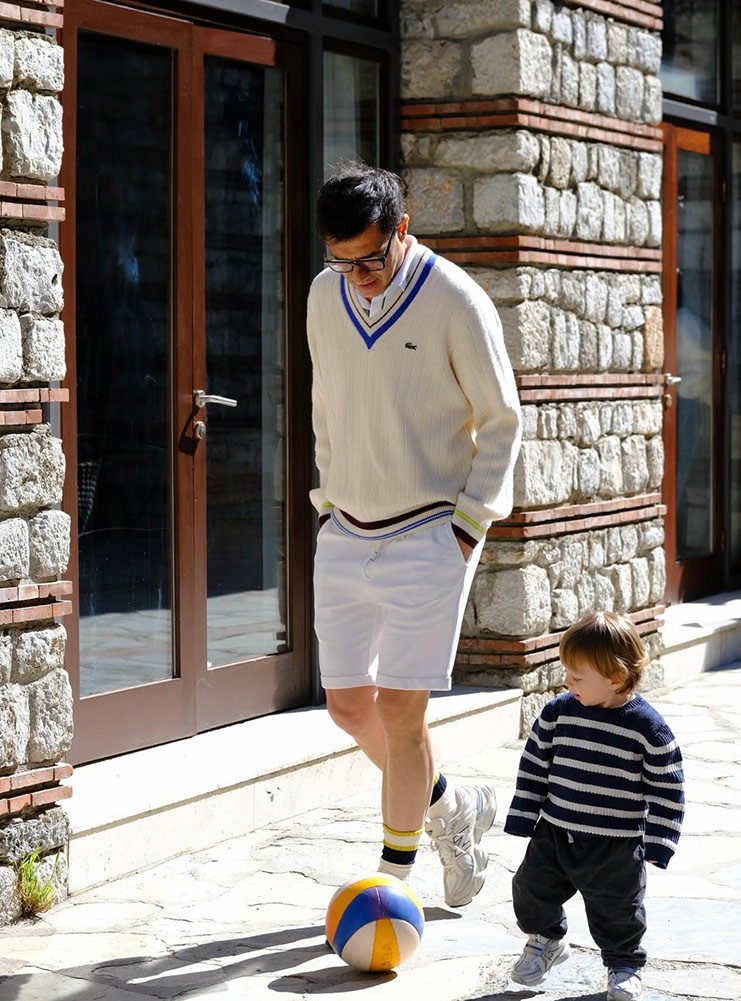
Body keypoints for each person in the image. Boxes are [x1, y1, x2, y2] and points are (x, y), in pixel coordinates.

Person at [307, 161, 522, 907]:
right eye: (342, 261)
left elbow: (502, 420)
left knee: (401, 711)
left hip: (432, 531)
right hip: (344, 528)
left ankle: (389, 889)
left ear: (402, 228)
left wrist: (467, 526)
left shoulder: (455, 299)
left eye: (370, 259)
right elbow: (327, 402)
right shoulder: (324, 294)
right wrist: (326, 501)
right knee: (348, 706)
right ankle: (452, 807)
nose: (358, 276)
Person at [504, 611, 685, 1001]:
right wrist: (523, 815)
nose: (566, 682)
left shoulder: (648, 729)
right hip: (555, 832)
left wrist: (660, 841)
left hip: (615, 845)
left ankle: (624, 965)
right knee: (530, 891)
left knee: (618, 910)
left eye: (577, 676)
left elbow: (668, 788)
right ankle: (547, 939)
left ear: (615, 678)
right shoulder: (558, 712)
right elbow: (534, 764)